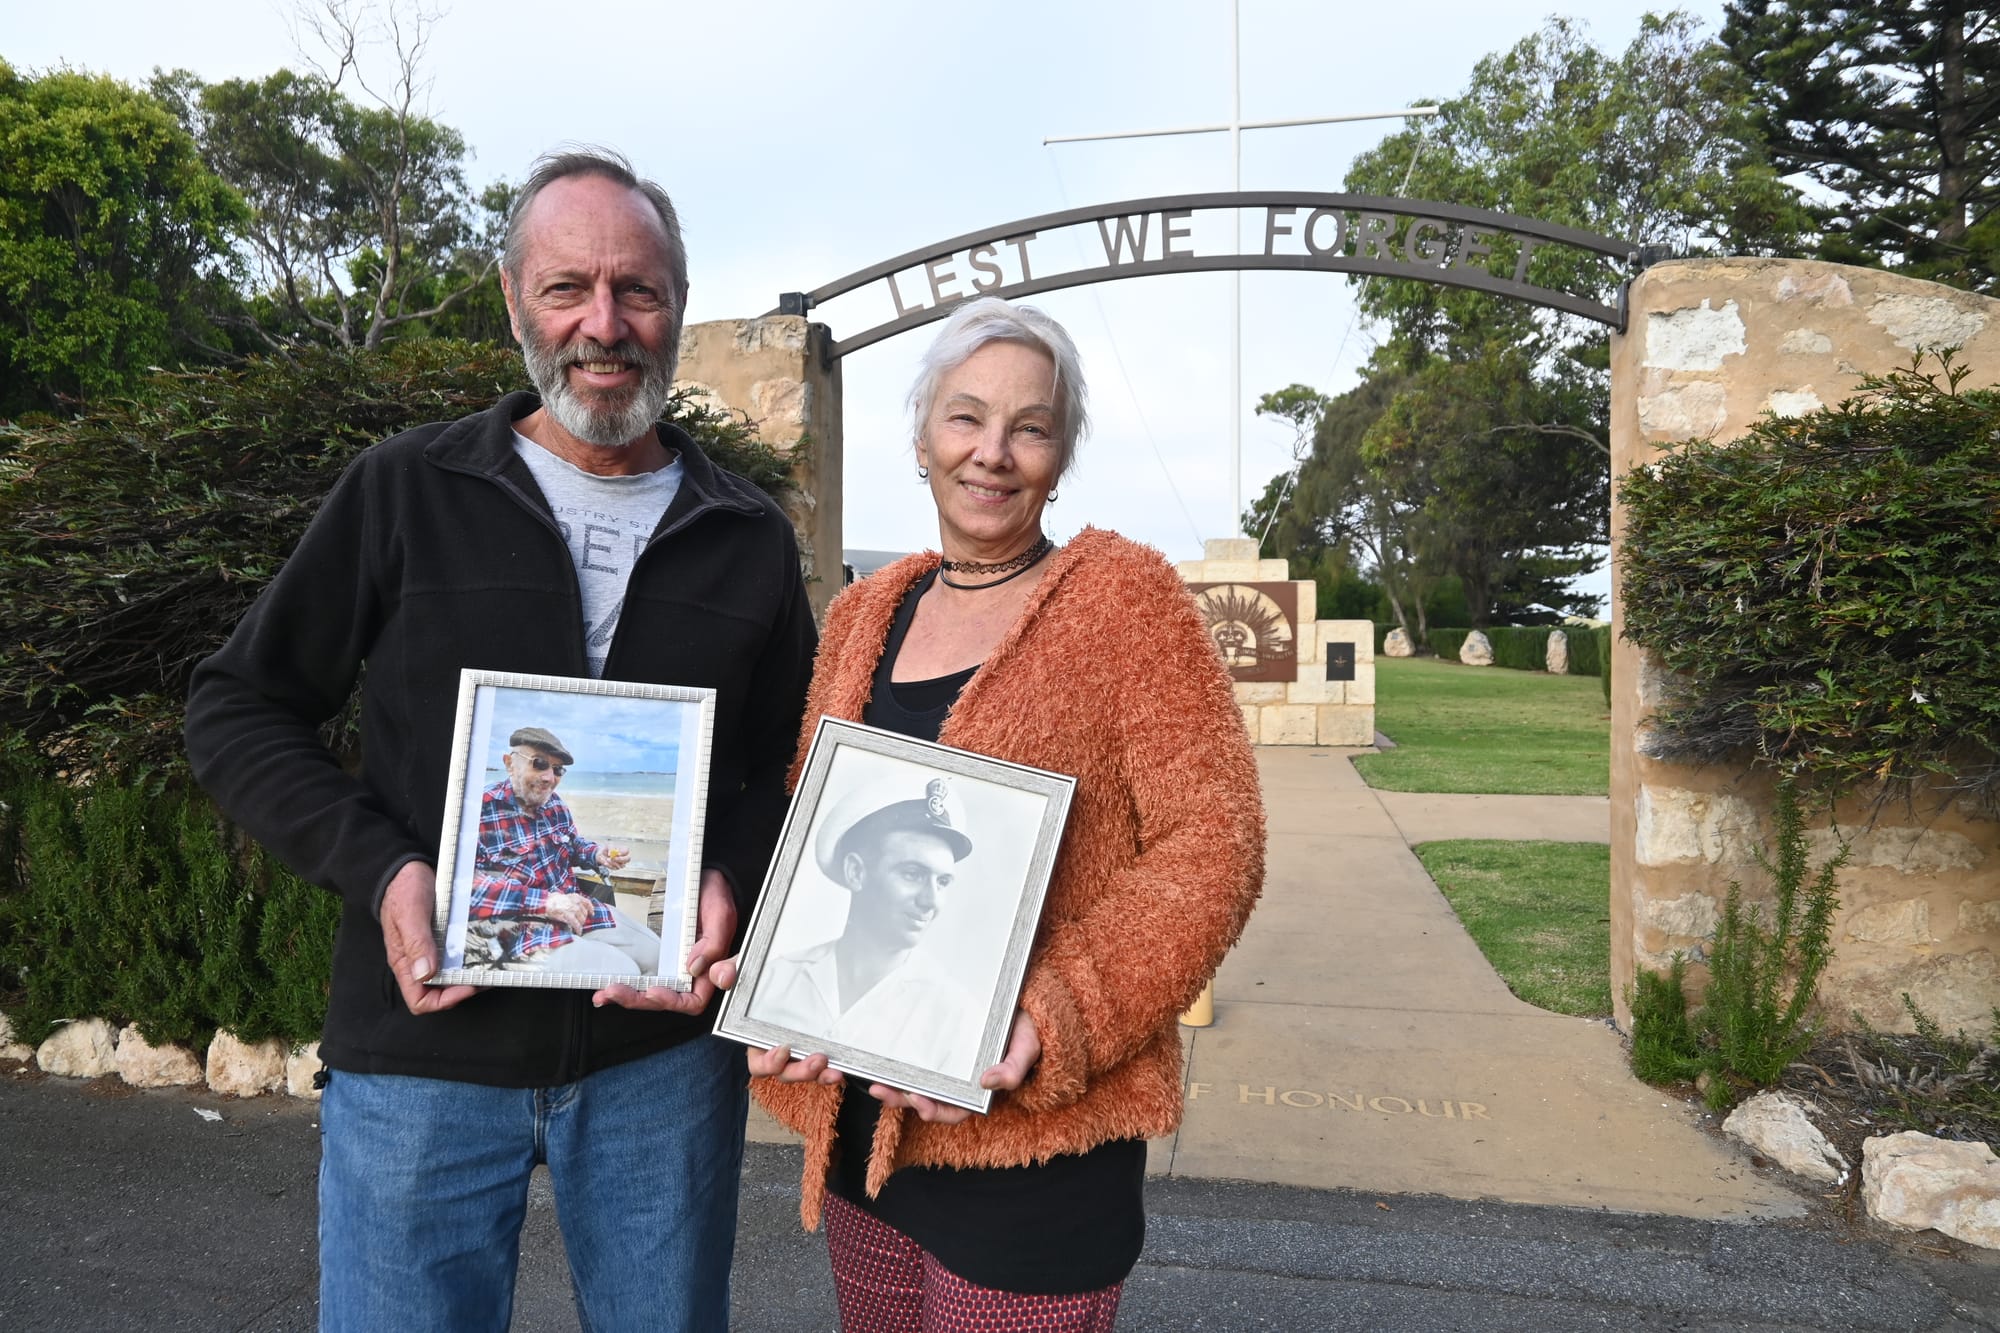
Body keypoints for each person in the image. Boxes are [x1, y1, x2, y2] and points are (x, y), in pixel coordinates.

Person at [183, 146, 816, 1333]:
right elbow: (236, 707)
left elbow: (783, 766)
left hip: (656, 1069)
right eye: (568, 287)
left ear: (677, 304)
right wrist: (385, 869)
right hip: (421, 1058)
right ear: (515, 299)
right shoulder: (404, 490)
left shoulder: (747, 537)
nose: (604, 325)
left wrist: (730, 874)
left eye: (637, 290)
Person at [734, 297, 1265, 1331]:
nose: (993, 452)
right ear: (921, 437)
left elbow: (1215, 847)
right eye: (966, 417)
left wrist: (1053, 1014)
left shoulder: (1126, 602)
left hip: (1031, 1159)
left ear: (1061, 456)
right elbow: (812, 821)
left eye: (1030, 427)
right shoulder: (863, 612)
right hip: (863, 1149)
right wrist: (774, 985)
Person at [749, 775, 980, 1075]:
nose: (930, 900)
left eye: (943, 882)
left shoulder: (958, 1018)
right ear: (856, 872)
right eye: (912, 874)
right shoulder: (774, 980)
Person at [467, 725, 659, 977]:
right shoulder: (477, 811)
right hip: (521, 932)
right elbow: (467, 888)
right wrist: (547, 903)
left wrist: (596, 854)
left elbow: (573, 844)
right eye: (539, 763)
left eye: (557, 770)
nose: (550, 777)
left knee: (659, 955)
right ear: (509, 763)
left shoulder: (554, 804)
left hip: (577, 909)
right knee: (626, 972)